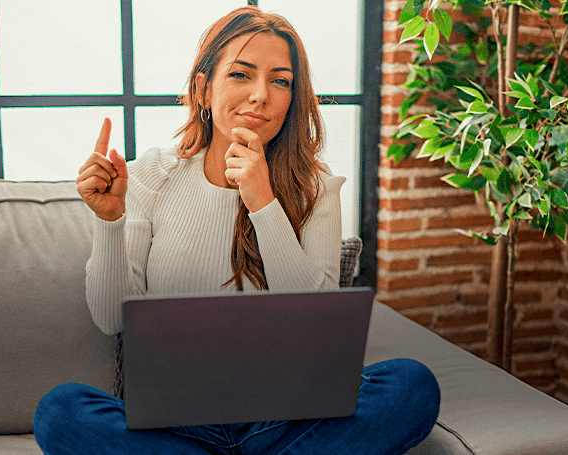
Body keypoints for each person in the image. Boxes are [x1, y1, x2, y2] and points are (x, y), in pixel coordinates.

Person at [33, 5, 440, 454]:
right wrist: (110, 221)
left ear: (293, 97)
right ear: (204, 90)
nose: (261, 95)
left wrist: (262, 199)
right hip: (174, 424)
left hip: (283, 419)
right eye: (242, 75)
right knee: (61, 409)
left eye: (280, 80)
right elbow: (111, 317)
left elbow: (312, 326)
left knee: (411, 385)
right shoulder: (153, 174)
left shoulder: (317, 187)